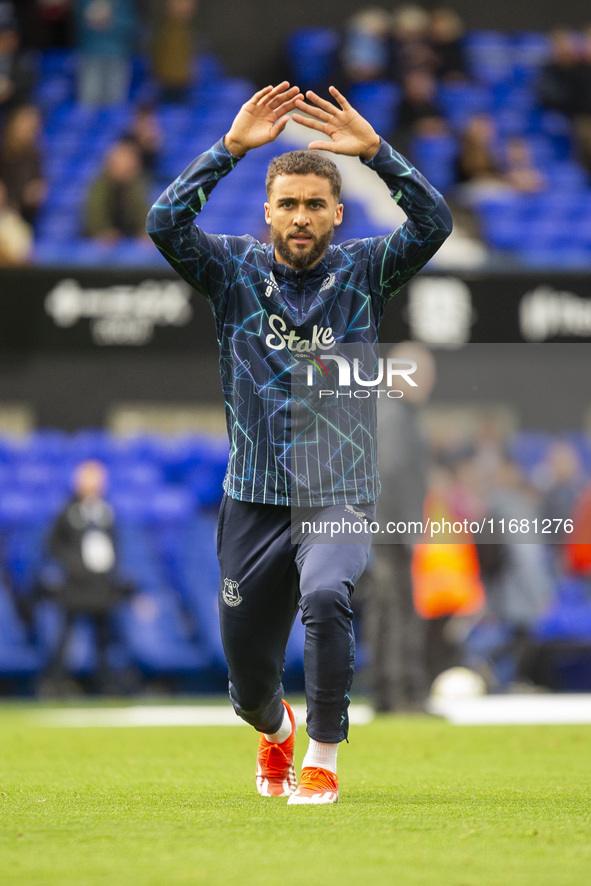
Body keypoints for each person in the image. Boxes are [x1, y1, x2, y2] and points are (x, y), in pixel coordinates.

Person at [147, 81, 452, 804]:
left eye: (315, 203)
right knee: (248, 687)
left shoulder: (366, 271)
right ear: (268, 213)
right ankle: (276, 730)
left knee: (326, 598)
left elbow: (433, 221)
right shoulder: (231, 272)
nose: (301, 216)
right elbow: (164, 222)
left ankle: (321, 754)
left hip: (337, 491)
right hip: (250, 500)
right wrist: (228, 149)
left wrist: (377, 152)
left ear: (337, 214)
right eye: (288, 204)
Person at [364, 342, 435, 712]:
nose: (428, 382)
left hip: (384, 529)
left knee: (390, 610)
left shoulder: (390, 410)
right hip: (390, 531)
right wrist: (408, 526)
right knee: (396, 611)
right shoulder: (394, 414)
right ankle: (399, 693)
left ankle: (393, 692)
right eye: (422, 373)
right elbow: (390, 471)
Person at [42, 460, 132, 694]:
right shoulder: (68, 511)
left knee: (103, 638)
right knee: (66, 636)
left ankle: (105, 684)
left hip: (101, 584)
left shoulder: (105, 511)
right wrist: (73, 564)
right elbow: (53, 544)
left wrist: (112, 567)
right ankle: (56, 682)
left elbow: (114, 543)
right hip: (76, 585)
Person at [83, 137, 149, 241]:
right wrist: (103, 232)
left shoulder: (135, 186)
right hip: (96, 245)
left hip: (127, 241)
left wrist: (145, 231)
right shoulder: (100, 186)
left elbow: (141, 214)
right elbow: (95, 217)